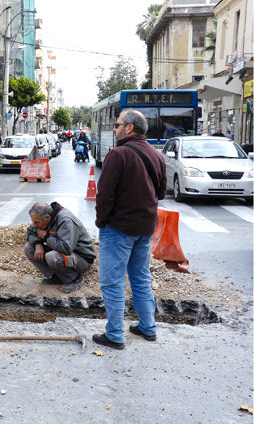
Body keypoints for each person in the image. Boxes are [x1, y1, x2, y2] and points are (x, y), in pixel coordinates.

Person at [94, 109, 166, 350]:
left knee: (111, 282)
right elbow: (162, 193)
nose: (114, 129)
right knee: (141, 278)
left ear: (130, 128)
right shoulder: (156, 154)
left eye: (117, 125)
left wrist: (101, 222)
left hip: (119, 229)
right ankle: (148, 327)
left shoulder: (118, 154)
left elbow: (104, 195)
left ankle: (115, 335)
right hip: (145, 228)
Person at [24, 202, 96, 293]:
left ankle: (74, 279)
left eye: (36, 222)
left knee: (52, 256)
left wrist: (46, 237)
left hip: (82, 259)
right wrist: (38, 244)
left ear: (47, 218)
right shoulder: (44, 218)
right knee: (28, 248)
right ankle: (57, 276)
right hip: (65, 253)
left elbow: (66, 248)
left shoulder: (65, 220)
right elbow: (31, 232)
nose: (34, 225)